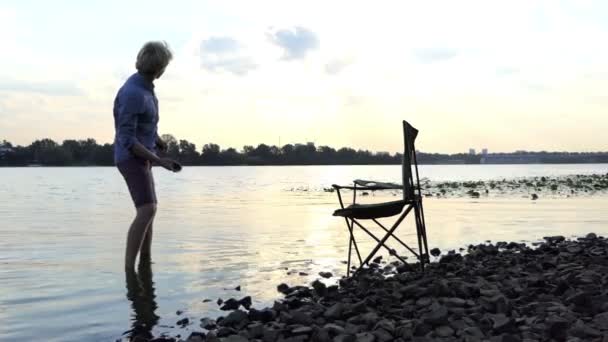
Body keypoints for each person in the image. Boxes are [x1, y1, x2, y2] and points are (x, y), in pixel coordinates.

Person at [114, 41, 181, 271]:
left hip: (143, 157)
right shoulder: (134, 92)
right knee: (147, 209)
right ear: (160, 69)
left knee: (149, 210)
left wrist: (158, 141)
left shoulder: (145, 88)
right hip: (130, 158)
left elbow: (144, 125)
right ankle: (129, 272)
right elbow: (127, 139)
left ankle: (145, 264)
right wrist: (159, 160)